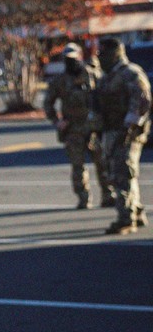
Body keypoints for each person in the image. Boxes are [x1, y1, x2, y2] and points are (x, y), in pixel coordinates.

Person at [43, 42, 112, 209]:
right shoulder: (60, 81)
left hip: (94, 127)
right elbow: (48, 103)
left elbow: (106, 98)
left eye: (73, 58)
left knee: (102, 163)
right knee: (77, 166)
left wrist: (105, 119)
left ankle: (108, 195)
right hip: (73, 129)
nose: (71, 62)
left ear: (80, 56)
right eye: (67, 59)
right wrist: (57, 121)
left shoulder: (93, 75)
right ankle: (83, 198)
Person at [95, 37, 152, 235]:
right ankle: (135, 211)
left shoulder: (130, 73)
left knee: (123, 173)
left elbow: (142, 100)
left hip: (127, 132)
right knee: (120, 173)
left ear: (114, 53)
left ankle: (126, 218)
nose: (100, 57)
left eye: (103, 53)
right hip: (111, 130)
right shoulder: (108, 76)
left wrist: (130, 125)